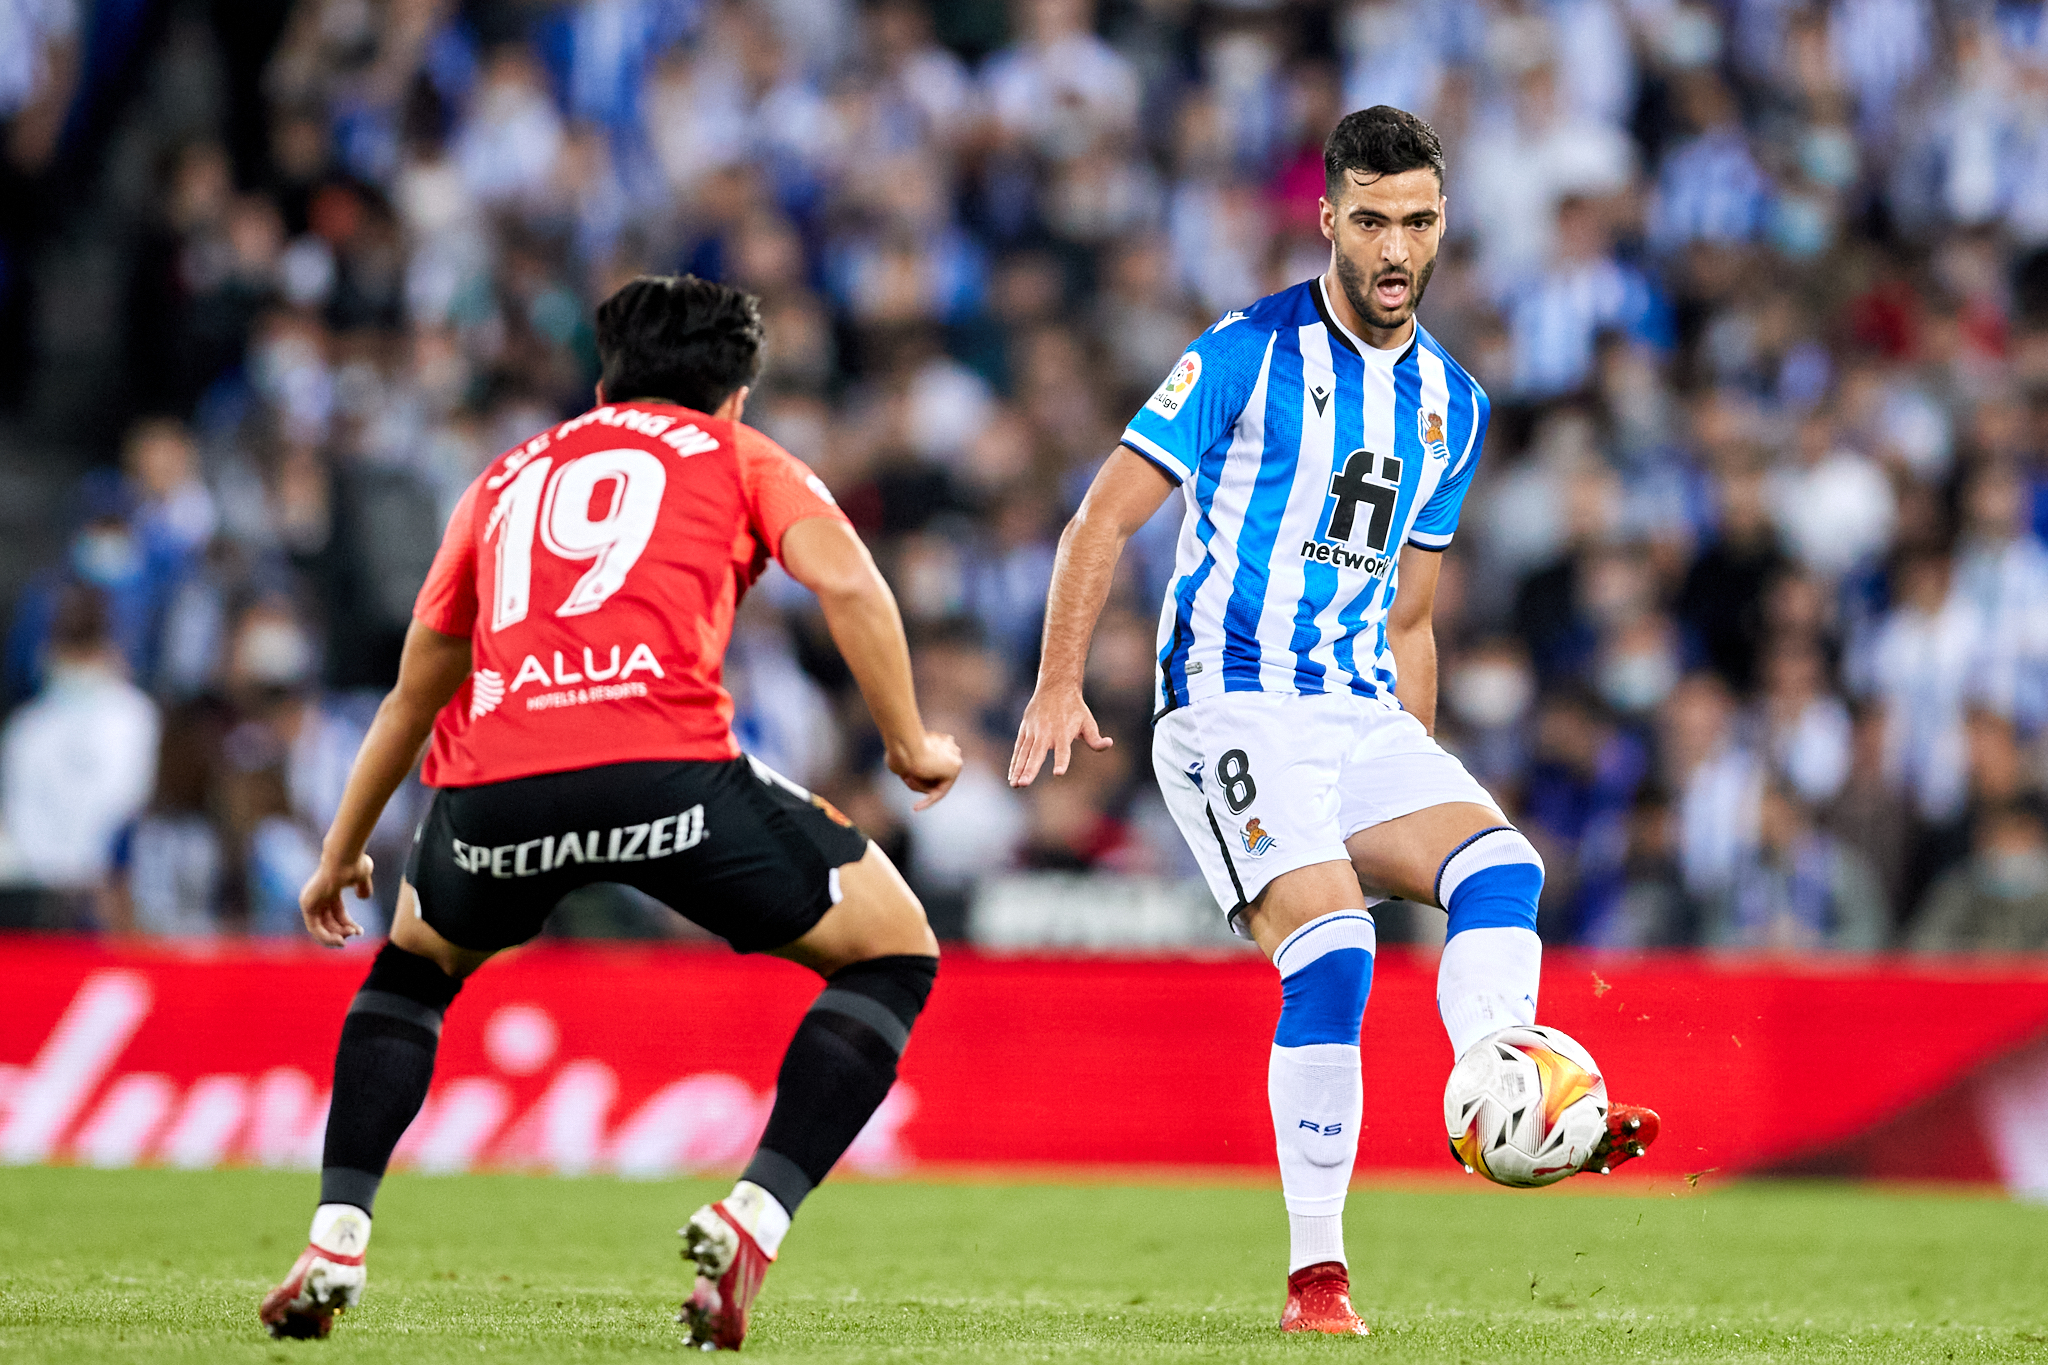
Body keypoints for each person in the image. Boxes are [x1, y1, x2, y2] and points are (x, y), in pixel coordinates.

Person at [1009, 106, 1658, 1337]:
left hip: (1355, 712)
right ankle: (1318, 1280)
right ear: (1326, 221)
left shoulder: (1451, 406)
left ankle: (1501, 1094)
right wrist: (1056, 681)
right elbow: (1101, 517)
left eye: (1416, 220)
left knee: (1499, 866)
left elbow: (1410, 613)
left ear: (1443, 223)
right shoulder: (1241, 353)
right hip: (1225, 704)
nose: (1394, 246)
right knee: (1338, 953)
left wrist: (1417, 756)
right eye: (1369, 219)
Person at [259, 275, 963, 1349]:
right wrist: (909, 744)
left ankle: (336, 1236)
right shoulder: (739, 455)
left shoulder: (505, 475)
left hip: (492, 789)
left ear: (599, 385)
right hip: (664, 774)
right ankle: (754, 1212)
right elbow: (851, 582)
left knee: (412, 969)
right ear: (734, 396)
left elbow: (417, 688)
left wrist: (340, 850)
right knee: (895, 950)